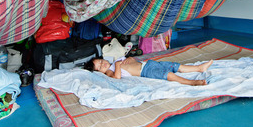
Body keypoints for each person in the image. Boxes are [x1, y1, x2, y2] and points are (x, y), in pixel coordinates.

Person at [84, 56, 213, 86]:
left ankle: (199, 68)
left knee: (173, 65)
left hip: (148, 64)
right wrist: (117, 65)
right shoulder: (110, 71)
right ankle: (191, 83)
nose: (103, 64)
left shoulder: (114, 61)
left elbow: (133, 60)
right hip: (146, 71)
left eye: (101, 61)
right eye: (100, 66)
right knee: (168, 74)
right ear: (100, 72)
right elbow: (117, 78)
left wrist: (130, 58)